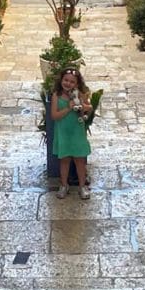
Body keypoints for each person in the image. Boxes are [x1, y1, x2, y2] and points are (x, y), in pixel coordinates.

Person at [50, 66, 94, 199]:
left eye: (72, 81)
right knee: (64, 160)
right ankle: (64, 184)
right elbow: (54, 116)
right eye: (66, 80)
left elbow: (89, 108)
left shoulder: (79, 94)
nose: (68, 83)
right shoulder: (56, 96)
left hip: (77, 133)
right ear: (61, 80)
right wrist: (68, 108)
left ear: (77, 84)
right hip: (63, 133)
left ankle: (82, 186)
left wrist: (82, 106)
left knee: (80, 160)